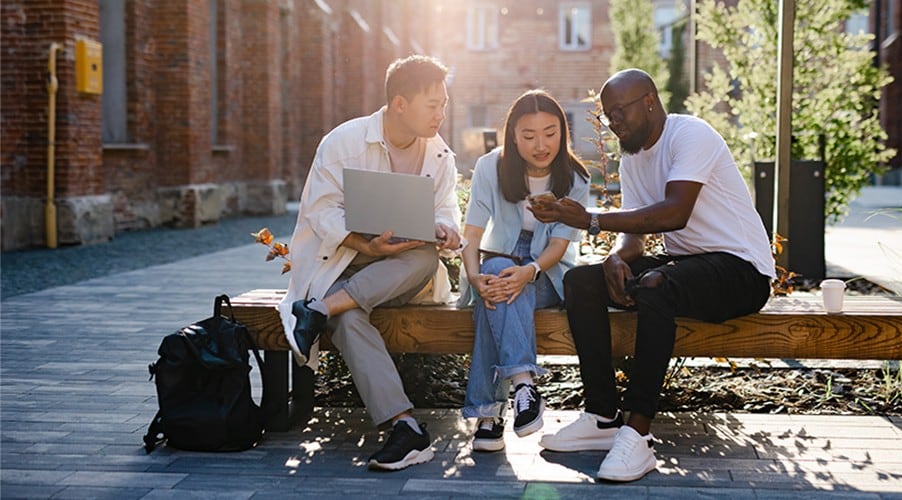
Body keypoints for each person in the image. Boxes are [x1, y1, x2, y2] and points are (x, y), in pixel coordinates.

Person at [529, 69, 775, 482]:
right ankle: (602, 417)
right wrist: (615, 259)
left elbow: (674, 214)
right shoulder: (633, 159)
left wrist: (591, 219)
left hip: (741, 270)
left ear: (649, 101)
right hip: (688, 266)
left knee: (656, 285)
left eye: (620, 111)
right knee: (580, 282)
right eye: (608, 116)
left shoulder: (691, 135)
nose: (614, 122)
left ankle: (637, 434)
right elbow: (634, 237)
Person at [277, 55, 463, 471]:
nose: (441, 114)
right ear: (399, 103)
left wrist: (447, 229)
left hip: (402, 270)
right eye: (432, 105)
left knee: (426, 255)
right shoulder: (343, 142)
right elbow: (320, 211)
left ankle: (320, 310)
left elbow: (448, 211)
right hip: (342, 261)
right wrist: (366, 244)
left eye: (443, 103)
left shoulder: (440, 156)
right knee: (347, 318)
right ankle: (407, 428)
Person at [458, 90, 590, 452]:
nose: (541, 144)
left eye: (550, 133)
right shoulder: (490, 167)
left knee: (502, 285)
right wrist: (473, 278)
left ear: (563, 132)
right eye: (529, 135)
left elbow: (558, 248)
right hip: (494, 263)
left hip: (547, 272)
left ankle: (489, 416)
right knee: (499, 275)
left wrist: (529, 271)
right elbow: (471, 234)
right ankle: (524, 387)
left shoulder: (575, 178)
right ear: (513, 136)